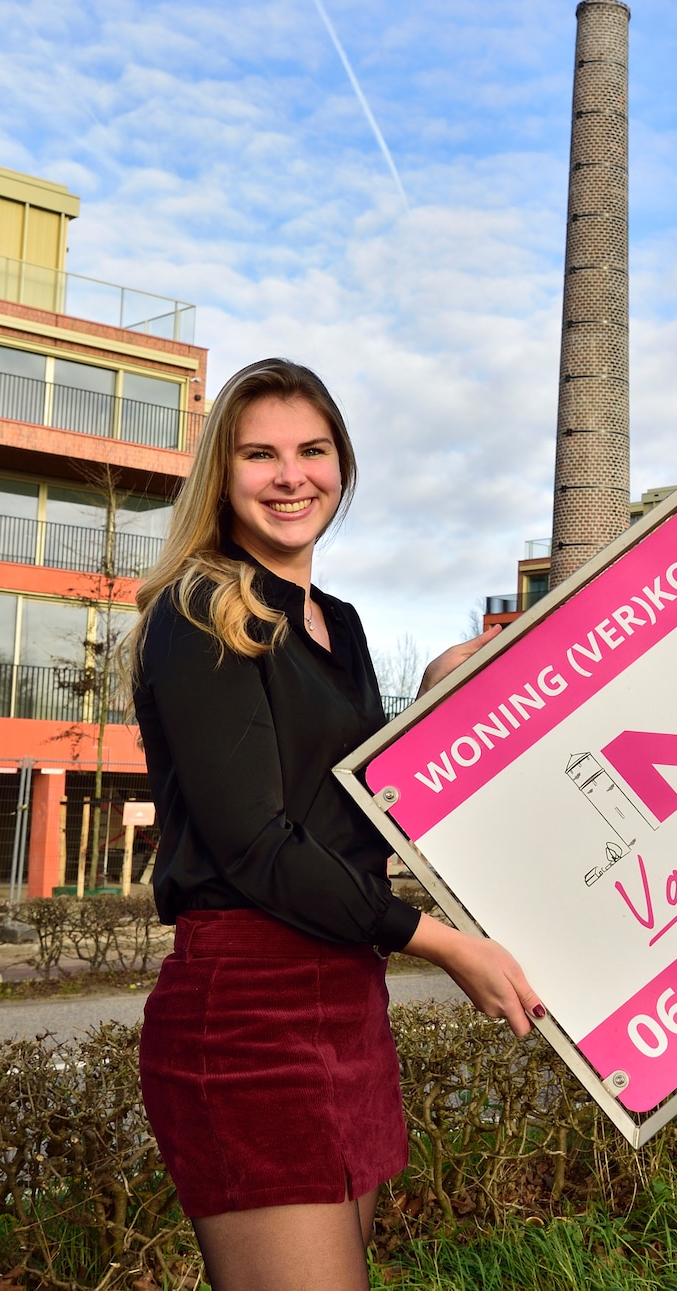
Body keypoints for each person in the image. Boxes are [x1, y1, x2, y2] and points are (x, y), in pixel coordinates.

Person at [130, 358, 543, 1291]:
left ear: (341, 467)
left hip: (347, 994)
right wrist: (446, 943)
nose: (291, 476)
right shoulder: (202, 609)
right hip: (249, 1009)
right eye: (260, 454)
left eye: (312, 451)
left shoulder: (340, 623)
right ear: (222, 473)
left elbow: (344, 823)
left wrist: (430, 709)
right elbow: (256, 845)